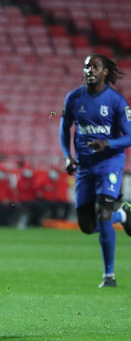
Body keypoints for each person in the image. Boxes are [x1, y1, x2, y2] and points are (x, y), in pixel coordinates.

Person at [60, 54, 131, 288]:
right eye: (86, 67)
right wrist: (68, 157)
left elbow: (129, 136)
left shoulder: (116, 102)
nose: (90, 70)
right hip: (84, 166)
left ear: (105, 72)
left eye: (95, 67)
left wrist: (108, 144)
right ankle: (124, 215)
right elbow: (65, 130)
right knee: (87, 226)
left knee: (103, 212)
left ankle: (108, 275)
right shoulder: (73, 98)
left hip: (109, 163)